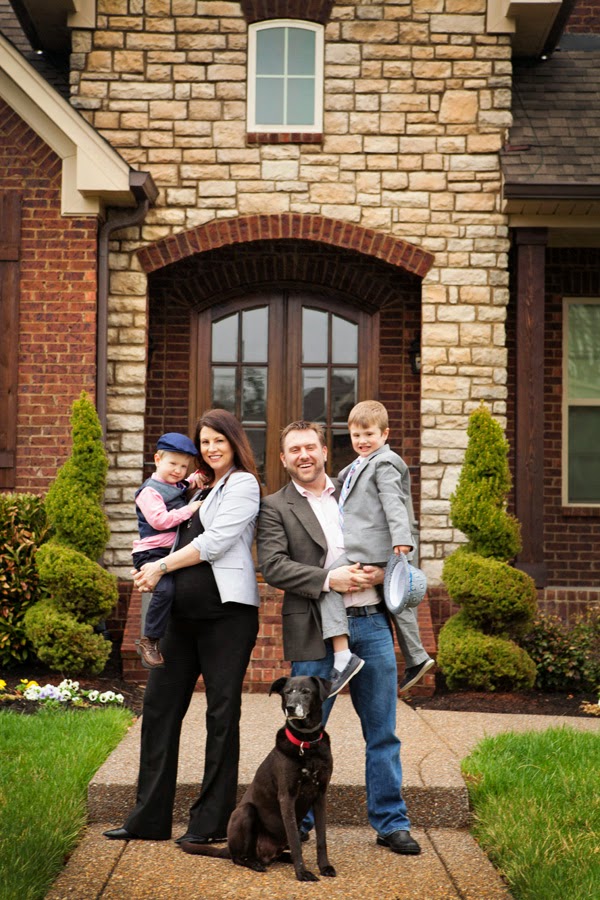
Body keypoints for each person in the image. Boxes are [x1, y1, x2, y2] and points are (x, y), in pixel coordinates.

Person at [257, 420, 421, 855]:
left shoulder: (354, 487)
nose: (304, 455)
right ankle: (299, 821)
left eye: (310, 447)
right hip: (315, 630)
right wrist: (331, 579)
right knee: (304, 733)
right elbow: (273, 566)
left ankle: (391, 822)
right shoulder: (274, 506)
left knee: (383, 732)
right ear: (283, 458)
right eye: (295, 449)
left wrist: (387, 571)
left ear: (325, 450)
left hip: (372, 623)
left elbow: (398, 530)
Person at [104, 409, 261, 844]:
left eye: (218, 441)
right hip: (179, 616)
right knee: (158, 709)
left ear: (234, 443)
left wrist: (159, 567)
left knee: (221, 714)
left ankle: (210, 824)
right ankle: (147, 820)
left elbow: (216, 542)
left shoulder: (243, 484)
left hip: (226, 616)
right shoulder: (193, 486)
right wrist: (149, 560)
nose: (211, 448)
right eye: (204, 442)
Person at [318, 400, 434, 696]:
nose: (362, 441)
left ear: (385, 434)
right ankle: (417, 657)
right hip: (377, 545)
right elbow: (347, 482)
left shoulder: (384, 463)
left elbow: (393, 502)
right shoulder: (359, 464)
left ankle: (343, 657)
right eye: (356, 435)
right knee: (397, 600)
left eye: (369, 434)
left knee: (327, 582)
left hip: (371, 546)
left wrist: (402, 540)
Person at [132, 432, 207, 669]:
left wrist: (199, 476)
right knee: (165, 590)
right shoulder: (149, 491)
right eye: (173, 464)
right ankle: (150, 639)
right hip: (152, 553)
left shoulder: (176, 484)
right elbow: (160, 521)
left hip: (171, 552)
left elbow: (187, 483)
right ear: (157, 459)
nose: (178, 470)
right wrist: (190, 509)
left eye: (183, 466)